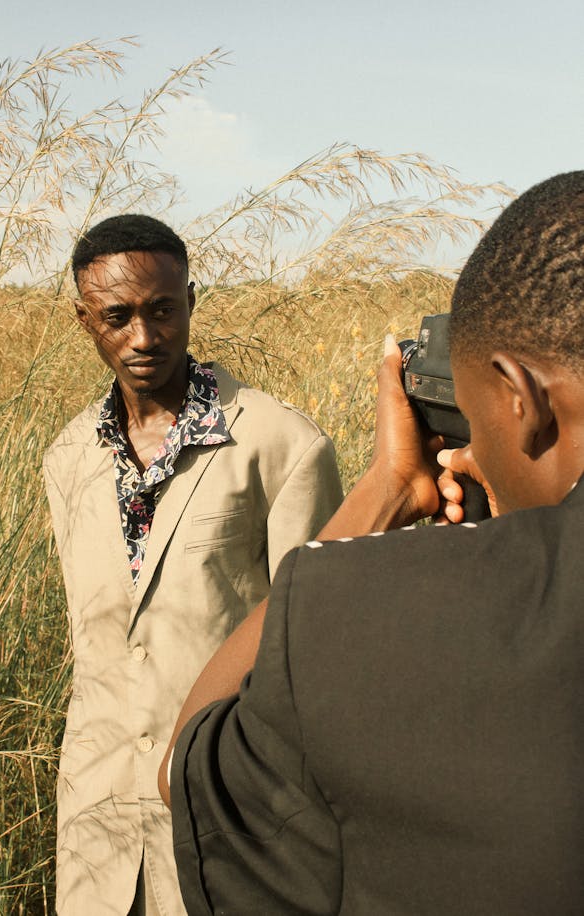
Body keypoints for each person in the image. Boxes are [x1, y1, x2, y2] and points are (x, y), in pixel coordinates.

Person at [159, 171, 584, 915]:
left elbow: (187, 767)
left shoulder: (358, 614)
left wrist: (386, 488)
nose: (473, 452)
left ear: (521, 396)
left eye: (478, 422)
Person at [42, 214, 343, 915]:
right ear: (85, 320)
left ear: (191, 302)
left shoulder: (280, 444)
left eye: (162, 310)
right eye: (117, 317)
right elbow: (97, 645)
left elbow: (314, 650)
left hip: (231, 814)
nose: (144, 337)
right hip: (98, 826)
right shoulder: (69, 458)